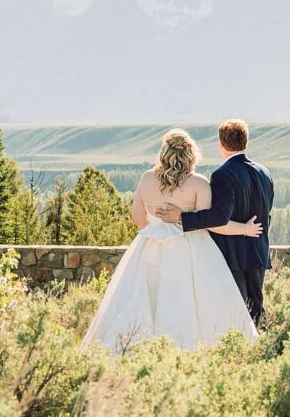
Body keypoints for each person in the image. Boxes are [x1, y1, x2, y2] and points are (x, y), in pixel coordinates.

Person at [81, 128, 261, 352]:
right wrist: (244, 228)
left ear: (164, 153)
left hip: (150, 248)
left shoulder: (147, 179)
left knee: (141, 300)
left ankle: (136, 349)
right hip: (193, 247)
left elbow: (139, 219)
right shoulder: (199, 183)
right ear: (191, 155)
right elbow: (210, 222)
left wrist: (159, 230)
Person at [157, 119, 273, 325]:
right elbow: (267, 212)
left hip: (233, 253)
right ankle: (263, 346)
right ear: (246, 141)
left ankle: (245, 349)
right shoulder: (264, 172)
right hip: (259, 250)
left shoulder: (223, 175)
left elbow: (219, 217)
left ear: (221, 144)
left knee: (238, 309)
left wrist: (181, 217)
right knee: (256, 305)